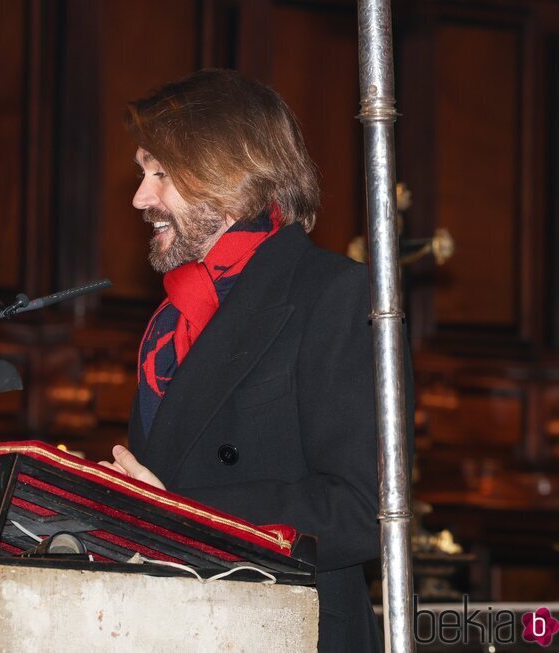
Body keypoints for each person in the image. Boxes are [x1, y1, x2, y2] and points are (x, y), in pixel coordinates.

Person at [97, 69, 413, 653]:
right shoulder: (170, 325)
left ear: (228, 173)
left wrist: (176, 511)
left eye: (160, 172)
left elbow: (363, 509)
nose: (140, 197)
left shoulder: (335, 295)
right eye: (144, 171)